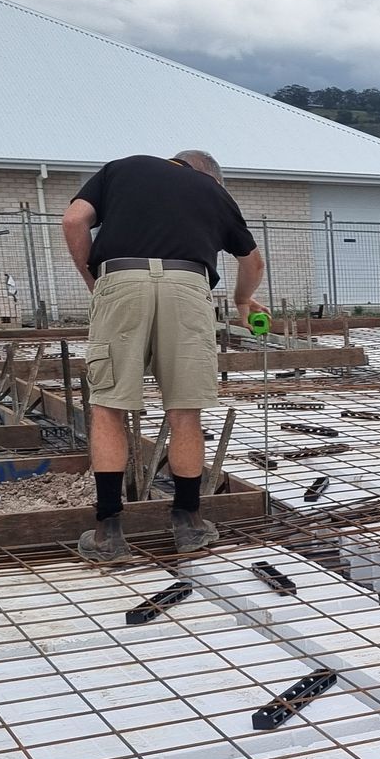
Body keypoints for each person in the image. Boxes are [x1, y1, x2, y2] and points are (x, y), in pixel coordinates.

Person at [60, 150, 267, 563]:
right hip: (188, 288)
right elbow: (253, 261)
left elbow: (73, 221)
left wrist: (93, 278)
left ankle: (108, 532)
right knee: (185, 410)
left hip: (121, 278)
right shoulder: (212, 191)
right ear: (210, 174)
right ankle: (189, 524)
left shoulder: (123, 167)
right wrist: (244, 301)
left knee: (108, 407)